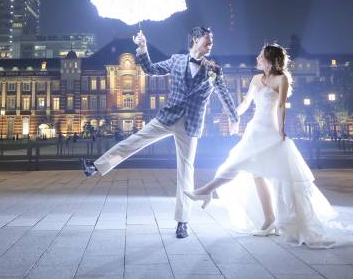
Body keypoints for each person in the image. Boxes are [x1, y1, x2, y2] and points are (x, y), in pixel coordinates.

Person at [186, 44, 353, 248]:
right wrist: (232, 115)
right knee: (256, 174)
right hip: (254, 129)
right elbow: (246, 103)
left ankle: (206, 190)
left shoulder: (281, 79)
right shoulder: (256, 79)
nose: (257, 58)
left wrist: (281, 130)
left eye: (261, 56)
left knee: (239, 165)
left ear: (270, 60)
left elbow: (282, 106)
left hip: (270, 132)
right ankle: (268, 219)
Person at [81, 26, 239, 239]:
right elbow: (150, 69)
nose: (211, 43)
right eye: (208, 40)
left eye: (212, 40)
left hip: (191, 125)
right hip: (166, 118)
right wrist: (143, 47)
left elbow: (225, 94)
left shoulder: (214, 70)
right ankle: (96, 166)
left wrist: (235, 116)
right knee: (133, 141)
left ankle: (183, 221)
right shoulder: (176, 60)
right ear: (195, 39)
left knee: (185, 171)